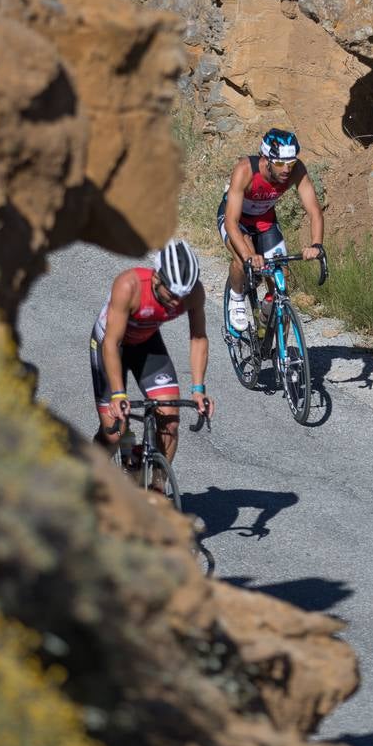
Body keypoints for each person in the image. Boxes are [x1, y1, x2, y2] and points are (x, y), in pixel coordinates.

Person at [90, 239, 214, 486]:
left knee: (170, 419)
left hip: (146, 344)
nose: (178, 302)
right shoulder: (130, 286)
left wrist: (198, 390)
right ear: (157, 278)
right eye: (173, 294)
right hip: (110, 345)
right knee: (114, 430)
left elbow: (198, 337)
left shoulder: (193, 293)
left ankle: (157, 486)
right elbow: (112, 344)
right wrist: (117, 395)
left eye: (184, 294)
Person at [216, 128, 324, 332]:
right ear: (265, 159)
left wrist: (316, 244)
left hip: (265, 221)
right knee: (242, 259)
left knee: (280, 274)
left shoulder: (297, 170)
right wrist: (249, 254)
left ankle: (268, 315)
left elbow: (314, 211)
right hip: (235, 218)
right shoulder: (245, 170)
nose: (286, 170)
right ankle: (236, 298)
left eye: (290, 163)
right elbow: (231, 221)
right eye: (280, 163)